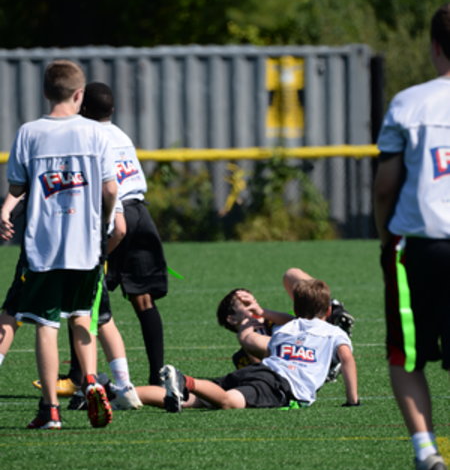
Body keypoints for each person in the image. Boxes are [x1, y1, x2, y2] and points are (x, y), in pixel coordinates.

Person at [4, 59, 117, 429]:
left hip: (45, 245)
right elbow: (110, 188)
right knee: (82, 316)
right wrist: (105, 221)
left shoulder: (29, 133)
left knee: (45, 325)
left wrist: (6, 210)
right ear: (79, 94)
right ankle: (90, 381)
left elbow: (17, 186)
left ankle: (50, 409)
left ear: (45, 92)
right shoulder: (96, 133)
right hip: (86, 244)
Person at [373, 3, 450, 470]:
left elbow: (386, 186)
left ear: (434, 46)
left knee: (406, 358)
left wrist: (386, 240)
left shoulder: (409, 102)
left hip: (419, 246)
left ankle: (427, 455)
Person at [134, 277, 359, 412]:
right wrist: (352, 400)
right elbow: (347, 358)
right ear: (328, 311)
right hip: (283, 386)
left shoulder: (286, 329)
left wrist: (261, 313)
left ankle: (127, 393)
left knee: (196, 401)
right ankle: (186, 381)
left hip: (262, 369)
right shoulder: (334, 333)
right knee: (228, 402)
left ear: (295, 310)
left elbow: (284, 333)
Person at [79, 82, 168, 386]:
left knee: (86, 295)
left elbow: (104, 187)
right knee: (144, 300)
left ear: (82, 108)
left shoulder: (89, 136)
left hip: (116, 215)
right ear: (112, 110)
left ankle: (78, 377)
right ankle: (157, 376)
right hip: (141, 213)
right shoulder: (120, 134)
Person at [217, 266, 354, 381]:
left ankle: (334, 312)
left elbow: (297, 322)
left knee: (291, 274)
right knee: (252, 340)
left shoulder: (270, 319)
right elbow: (261, 373)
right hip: (303, 360)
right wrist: (245, 335)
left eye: (253, 300)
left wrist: (262, 312)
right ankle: (329, 365)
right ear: (232, 319)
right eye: (246, 303)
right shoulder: (241, 356)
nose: (253, 304)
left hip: (320, 329)